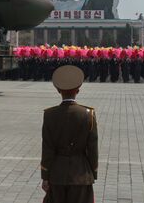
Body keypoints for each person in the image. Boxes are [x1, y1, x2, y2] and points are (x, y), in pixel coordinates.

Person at [41, 65, 98, 203]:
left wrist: (45, 176)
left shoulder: (49, 115)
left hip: (56, 174)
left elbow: (47, 149)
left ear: (58, 90)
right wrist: (93, 173)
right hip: (81, 174)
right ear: (78, 90)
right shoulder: (88, 115)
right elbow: (92, 149)